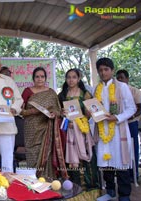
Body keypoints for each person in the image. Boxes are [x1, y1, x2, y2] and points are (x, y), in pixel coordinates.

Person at [94, 58, 136, 201]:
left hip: (118, 131)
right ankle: (110, 192)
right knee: (106, 164)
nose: (103, 72)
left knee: (121, 164)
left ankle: (124, 195)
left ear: (112, 70)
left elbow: (132, 108)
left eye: (106, 69)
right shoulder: (97, 89)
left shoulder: (122, 87)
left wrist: (117, 118)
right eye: (100, 70)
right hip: (102, 131)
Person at [21, 67, 67, 179]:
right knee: (33, 153)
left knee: (48, 153)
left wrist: (54, 113)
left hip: (47, 127)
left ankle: (48, 180)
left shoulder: (51, 93)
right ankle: (33, 180)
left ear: (45, 78)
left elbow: (59, 111)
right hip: (31, 129)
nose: (40, 79)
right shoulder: (27, 91)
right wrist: (33, 111)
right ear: (33, 78)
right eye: (37, 76)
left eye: (42, 76)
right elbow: (20, 111)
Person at [58, 68, 98, 190]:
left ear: (78, 79)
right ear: (66, 79)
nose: (71, 80)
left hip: (82, 130)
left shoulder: (85, 94)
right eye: (68, 77)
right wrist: (62, 114)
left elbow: (91, 111)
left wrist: (86, 114)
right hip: (68, 131)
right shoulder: (62, 95)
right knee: (71, 158)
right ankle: (75, 187)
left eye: (74, 77)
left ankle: (90, 187)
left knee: (86, 157)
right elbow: (59, 113)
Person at [116, 69, 141, 181]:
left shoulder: (134, 90)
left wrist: (128, 117)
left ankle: (134, 174)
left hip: (131, 123)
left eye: (122, 77)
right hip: (118, 124)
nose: (120, 80)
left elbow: (139, 108)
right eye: (118, 78)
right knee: (122, 149)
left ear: (127, 79)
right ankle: (124, 173)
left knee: (133, 148)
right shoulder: (116, 90)